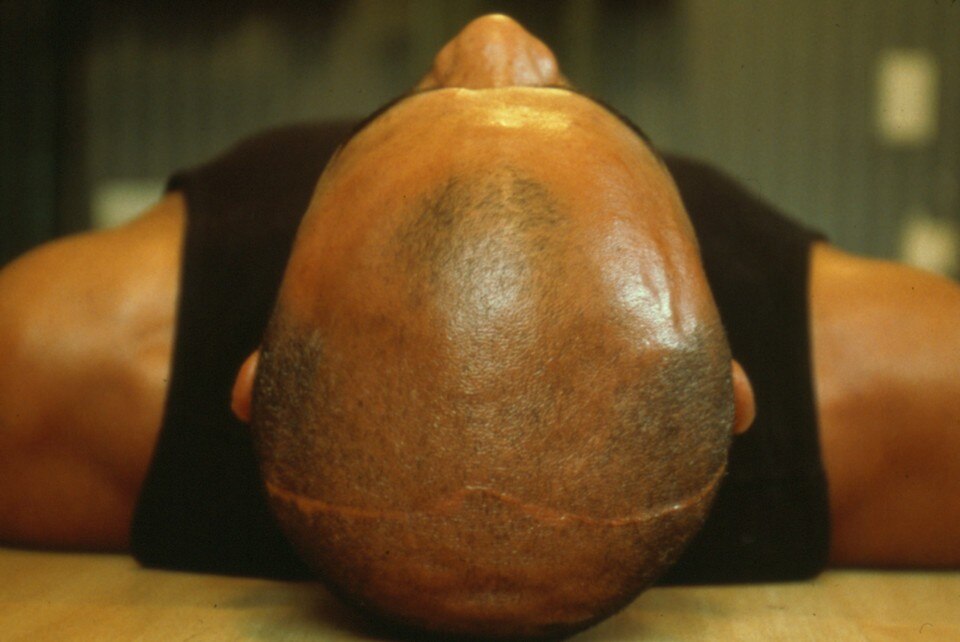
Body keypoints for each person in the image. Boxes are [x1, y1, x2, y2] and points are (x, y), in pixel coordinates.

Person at [1, 13, 958, 639]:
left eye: (429, 97)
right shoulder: (886, 383)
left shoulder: (63, 360)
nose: (497, 36)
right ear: (737, 395)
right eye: (562, 96)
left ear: (252, 385)